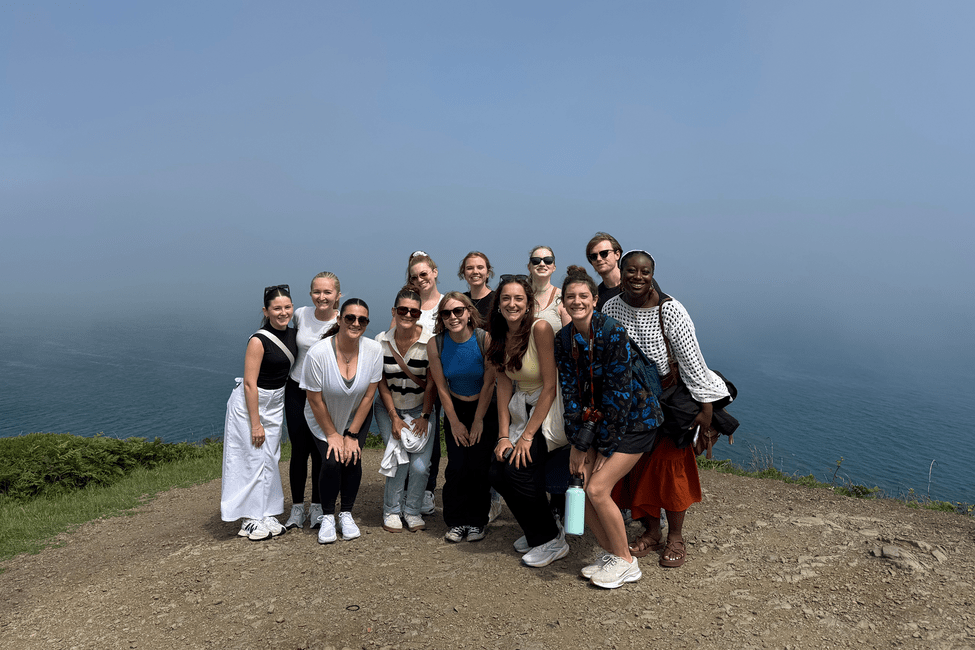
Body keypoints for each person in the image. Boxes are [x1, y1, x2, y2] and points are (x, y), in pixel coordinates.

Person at [603, 250, 730, 568]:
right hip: (633, 403)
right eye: (631, 271)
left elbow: (692, 363)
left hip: (670, 402)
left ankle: (675, 536)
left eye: (644, 272)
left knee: (671, 468)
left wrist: (706, 411)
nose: (637, 277)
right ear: (621, 273)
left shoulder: (670, 310)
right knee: (638, 467)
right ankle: (651, 531)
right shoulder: (611, 307)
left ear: (652, 274)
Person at [554, 266, 664, 588]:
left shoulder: (612, 331)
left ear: (595, 299)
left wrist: (604, 446)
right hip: (599, 425)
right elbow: (571, 395)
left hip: (635, 421)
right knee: (580, 482)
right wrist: (578, 443)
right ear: (563, 302)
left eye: (583, 296)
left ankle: (627, 563)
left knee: (598, 489)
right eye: (570, 296)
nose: (577, 301)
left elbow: (620, 394)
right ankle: (612, 553)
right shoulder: (563, 340)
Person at [487, 275, 569, 568]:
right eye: (506, 298)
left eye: (518, 298)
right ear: (498, 304)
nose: (512, 304)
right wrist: (503, 436)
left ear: (528, 303)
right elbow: (503, 385)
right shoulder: (498, 334)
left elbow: (550, 387)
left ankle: (551, 540)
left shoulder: (540, 329)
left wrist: (527, 436)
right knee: (497, 472)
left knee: (518, 469)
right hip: (522, 410)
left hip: (548, 413)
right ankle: (538, 528)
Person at [300, 299, 383, 544]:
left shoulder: (374, 350)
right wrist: (333, 434)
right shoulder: (318, 353)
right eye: (350, 318)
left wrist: (352, 434)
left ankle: (346, 513)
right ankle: (327, 516)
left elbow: (368, 396)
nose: (356, 323)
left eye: (362, 319)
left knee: (352, 457)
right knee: (332, 461)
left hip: (356, 416)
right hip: (323, 417)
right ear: (339, 319)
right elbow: (314, 400)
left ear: (366, 323)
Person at [221, 285, 297, 541]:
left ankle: (267, 512)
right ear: (266, 311)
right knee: (250, 458)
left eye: (287, 307)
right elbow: (249, 384)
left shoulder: (293, 334)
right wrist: (256, 424)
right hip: (250, 405)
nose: (283, 312)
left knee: (270, 458)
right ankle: (248, 518)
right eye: (277, 308)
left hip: (275, 402)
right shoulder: (258, 340)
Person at [426, 292, 498, 543]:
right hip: (455, 407)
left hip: (483, 407)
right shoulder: (436, 344)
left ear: (469, 313)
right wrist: (454, 422)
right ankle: (456, 521)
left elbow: (489, 382)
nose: (453, 317)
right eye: (446, 313)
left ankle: (477, 521)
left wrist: (478, 420)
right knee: (456, 467)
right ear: (441, 318)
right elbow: (441, 386)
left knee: (479, 467)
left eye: (458, 311)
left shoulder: (484, 339)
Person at [373, 287, 436, 533]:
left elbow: (432, 383)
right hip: (389, 408)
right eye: (402, 310)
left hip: (421, 408)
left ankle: (412, 510)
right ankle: (391, 510)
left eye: (413, 311)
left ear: (419, 314)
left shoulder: (430, 342)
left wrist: (425, 416)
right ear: (394, 311)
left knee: (420, 466)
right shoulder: (381, 341)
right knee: (398, 461)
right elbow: (381, 382)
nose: (408, 315)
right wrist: (394, 417)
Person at [284, 272, 341, 530]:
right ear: (310, 294)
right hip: (297, 388)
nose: (322, 297)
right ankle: (297, 508)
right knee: (299, 450)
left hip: (325, 393)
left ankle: (318, 506)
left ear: (337, 295)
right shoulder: (301, 314)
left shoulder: (342, 320)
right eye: (317, 292)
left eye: (327, 292)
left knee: (321, 450)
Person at [586, 232, 661, 311]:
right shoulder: (596, 295)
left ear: (617, 255)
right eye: (593, 256)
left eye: (604, 254)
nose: (598, 259)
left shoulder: (640, 282)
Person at [526, 245, 569, 334]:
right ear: (529, 267)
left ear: (554, 267)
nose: (542, 264)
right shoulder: (520, 297)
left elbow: (570, 335)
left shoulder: (563, 297)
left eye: (548, 260)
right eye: (536, 261)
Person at [458, 251, 496, 320]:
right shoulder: (460, 301)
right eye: (470, 268)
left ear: (488, 273)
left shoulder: (497, 300)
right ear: (464, 274)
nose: (475, 272)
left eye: (480, 267)